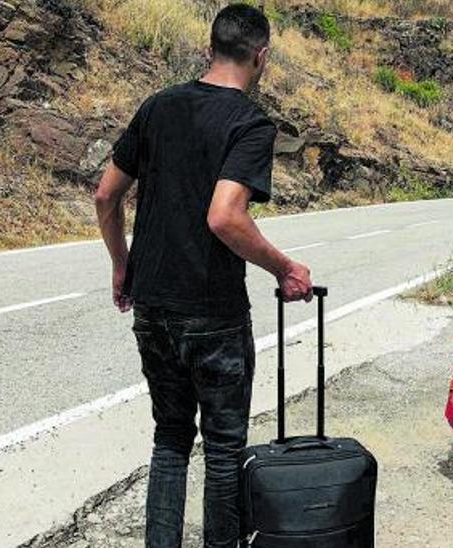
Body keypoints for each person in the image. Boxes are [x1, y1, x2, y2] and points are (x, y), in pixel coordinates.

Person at [93, 5, 312, 547]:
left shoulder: (158, 107)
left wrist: (124, 263)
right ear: (261, 57)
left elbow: (105, 195)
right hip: (212, 312)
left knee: (169, 440)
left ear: (209, 47)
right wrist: (285, 268)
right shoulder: (250, 124)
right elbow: (225, 216)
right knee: (221, 449)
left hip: (153, 304)